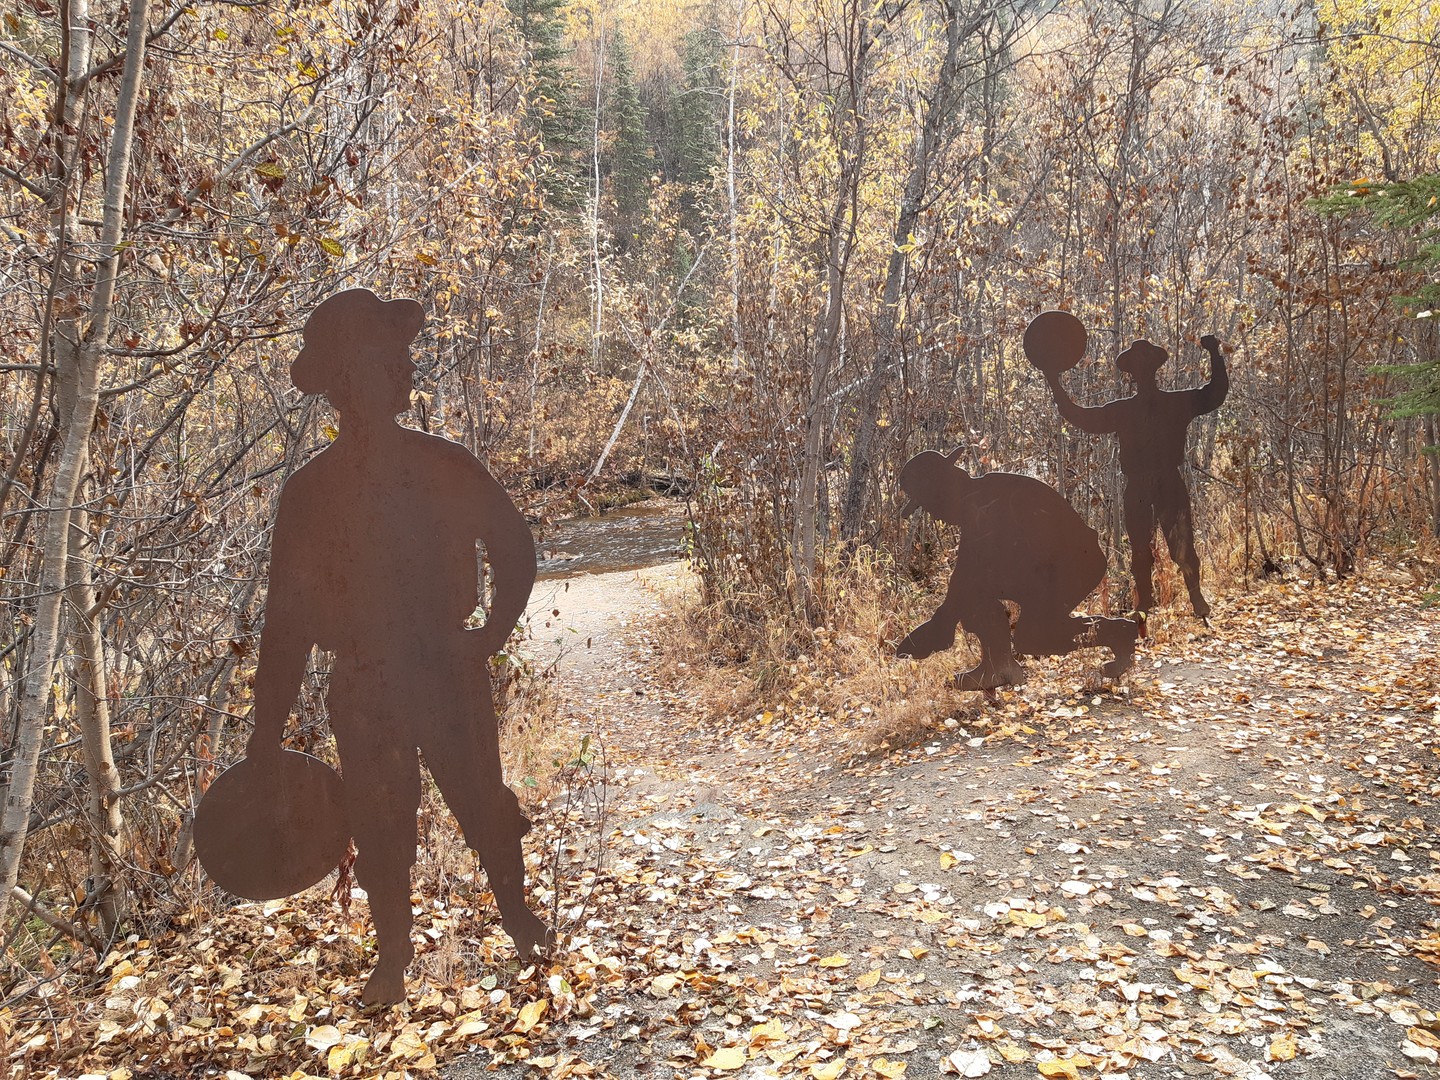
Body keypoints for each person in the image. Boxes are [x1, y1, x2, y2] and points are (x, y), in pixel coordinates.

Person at [245, 288, 552, 1006]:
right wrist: (265, 734)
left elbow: (515, 548)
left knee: (481, 798)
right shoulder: (310, 494)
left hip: (448, 669)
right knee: (381, 821)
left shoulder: (446, 465)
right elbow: (285, 623)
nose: (403, 373)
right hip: (365, 681)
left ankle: (517, 913)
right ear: (346, 384)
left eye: (401, 360)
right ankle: (394, 956)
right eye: (385, 363)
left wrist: (491, 635)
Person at [896, 449, 1138, 690]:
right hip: (1046, 566)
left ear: (941, 491)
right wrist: (943, 622)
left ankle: (1115, 633)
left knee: (1035, 636)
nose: (935, 514)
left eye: (929, 505)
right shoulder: (979, 497)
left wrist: (942, 625)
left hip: (1073, 562)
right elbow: (969, 576)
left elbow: (967, 571)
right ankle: (997, 666)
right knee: (977, 595)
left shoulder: (983, 502)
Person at [1040, 334, 1228, 618]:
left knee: (1182, 544)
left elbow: (1215, 393)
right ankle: (1144, 605)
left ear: (1151, 369)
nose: (1142, 372)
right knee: (1141, 547)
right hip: (1139, 487)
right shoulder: (1126, 410)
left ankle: (1195, 597)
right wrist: (1054, 382)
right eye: (1138, 367)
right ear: (1134, 374)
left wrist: (1215, 353)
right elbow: (1080, 416)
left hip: (1168, 483)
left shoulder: (1173, 403)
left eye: (1145, 365)